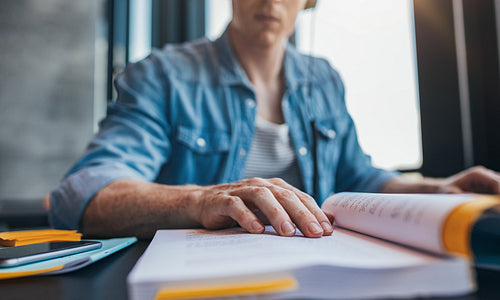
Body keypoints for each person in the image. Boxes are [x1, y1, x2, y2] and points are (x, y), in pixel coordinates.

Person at [48, 0, 500, 239]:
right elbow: (84, 192)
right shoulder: (163, 75)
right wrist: (201, 199)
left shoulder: (323, 79)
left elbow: (357, 175)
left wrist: (437, 189)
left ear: (308, 1)